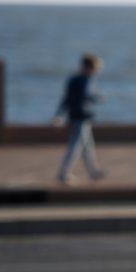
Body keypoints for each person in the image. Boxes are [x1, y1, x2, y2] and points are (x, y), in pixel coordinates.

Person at [54, 53, 106, 184]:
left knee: (88, 146)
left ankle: (93, 171)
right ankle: (63, 173)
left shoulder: (76, 79)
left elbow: (65, 99)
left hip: (81, 116)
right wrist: (98, 97)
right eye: (97, 68)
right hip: (80, 117)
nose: (98, 71)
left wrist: (59, 115)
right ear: (90, 67)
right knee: (76, 146)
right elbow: (86, 95)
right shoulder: (85, 80)